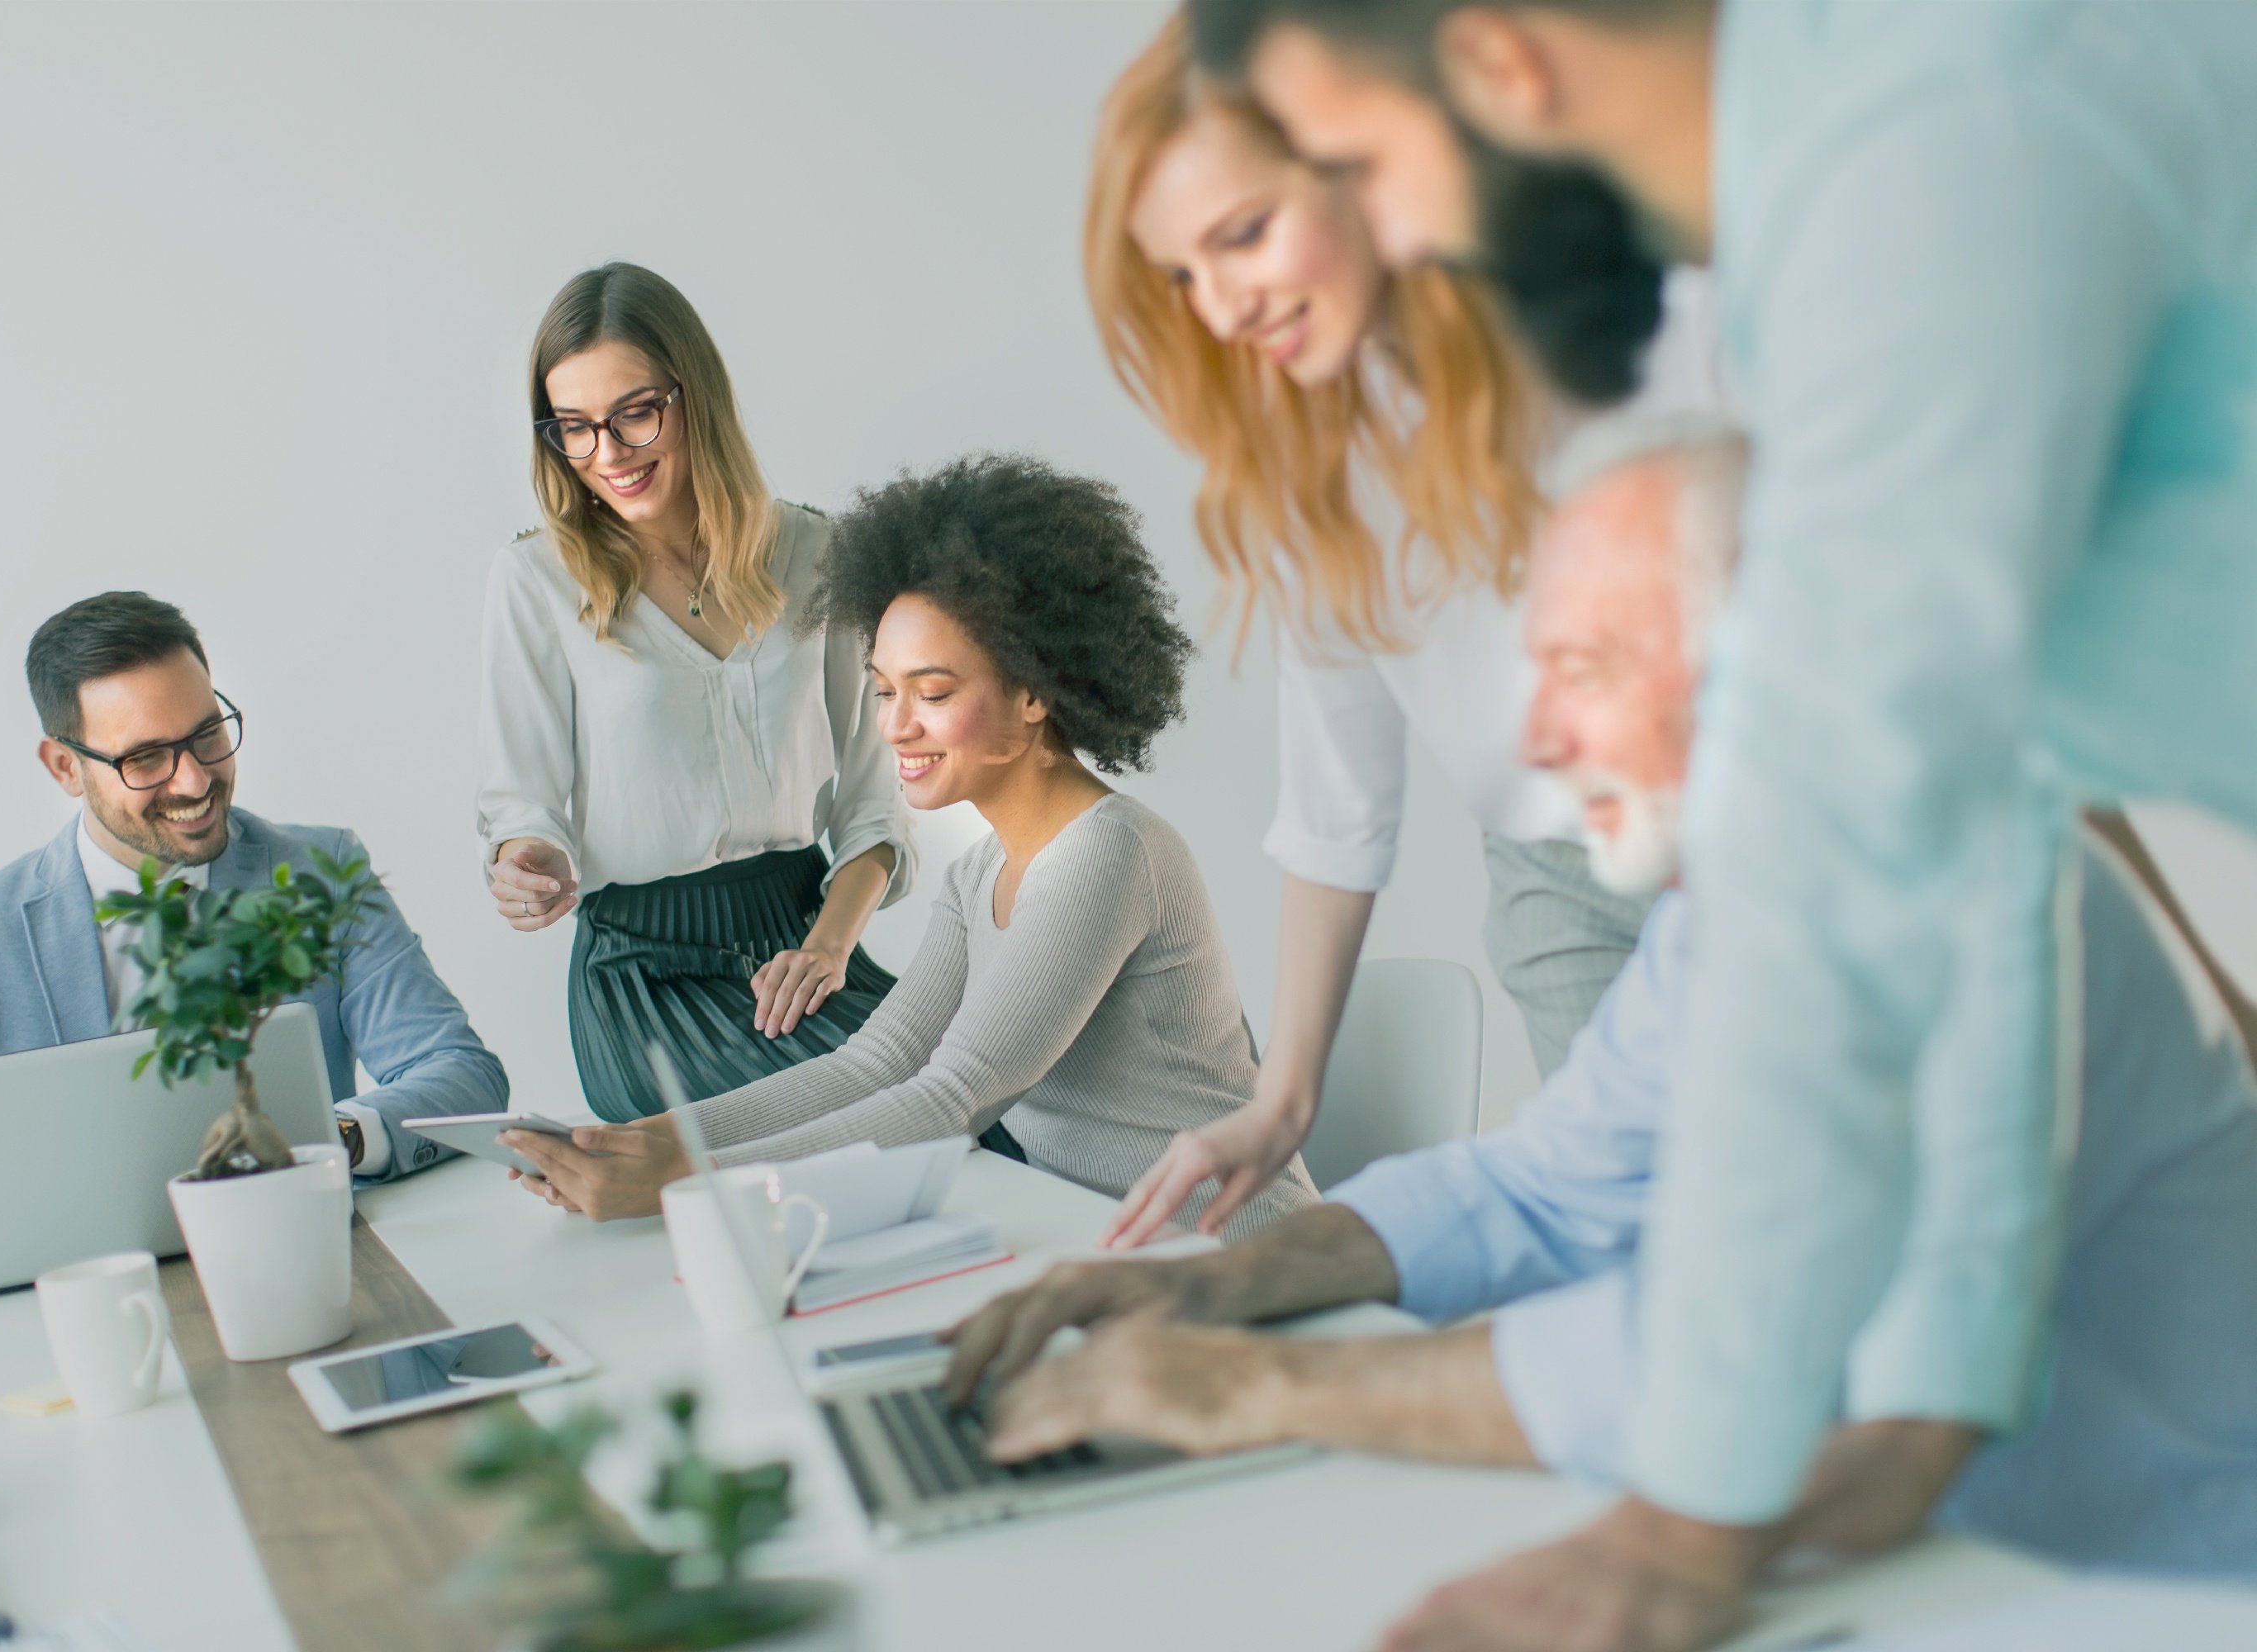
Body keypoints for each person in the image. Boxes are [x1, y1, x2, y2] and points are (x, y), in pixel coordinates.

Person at [1186, 2, 2257, 1641]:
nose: (1385, 237)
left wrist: (1690, 1524)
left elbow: (1854, 864)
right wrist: (1923, 1412)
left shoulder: (1928, 165)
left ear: (1499, 61)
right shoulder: (1827, 219)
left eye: (1355, 165)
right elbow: (1957, 817)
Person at [944, 425, 2257, 1618]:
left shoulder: (1939, 901)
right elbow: (1534, 1189)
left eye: (1583, 668)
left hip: (2146, 1585)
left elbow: (1730, 1350)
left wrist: (1253, 1390)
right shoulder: (1733, 917)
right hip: (1948, 1556)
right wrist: (1207, 1287)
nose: (1545, 740)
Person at [1082, 14, 1726, 1247]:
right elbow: (1340, 799)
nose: (1218, 309)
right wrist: (1283, 1100)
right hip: (1564, 888)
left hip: (1773, 836)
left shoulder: (1631, 318)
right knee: (1650, 1260)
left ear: (1352, 153)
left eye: (1243, 235)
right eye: (1180, 275)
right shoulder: (1308, 450)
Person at [499, 454, 1320, 1237]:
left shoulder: (1108, 854)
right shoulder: (979, 873)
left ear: (1036, 687)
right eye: (885, 689)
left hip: (1233, 1254)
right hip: (1107, 1247)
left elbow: (950, 1097)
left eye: (933, 691)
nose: (894, 725)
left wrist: (688, 1179)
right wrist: (653, 1139)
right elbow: (874, 1063)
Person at [0, 592, 507, 1263]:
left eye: (207, 734)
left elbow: (462, 1075)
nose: (194, 781)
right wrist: (61, 1225)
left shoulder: (320, 872)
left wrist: (333, 1138)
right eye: (147, 758)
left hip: (303, 1261)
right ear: (65, 767)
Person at [477, 262, 916, 1123]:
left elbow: (876, 809)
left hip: (807, 945)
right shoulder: (534, 579)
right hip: (645, 976)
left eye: (635, 413)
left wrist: (829, 945)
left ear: (695, 396)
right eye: (574, 427)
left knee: (1013, 1092)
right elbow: (521, 808)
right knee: (896, 1109)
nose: (608, 455)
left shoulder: (819, 552)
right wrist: (525, 862)